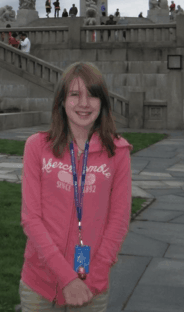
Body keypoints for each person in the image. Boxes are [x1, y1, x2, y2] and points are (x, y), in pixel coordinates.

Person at [19, 61, 132, 311]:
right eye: (74, 94)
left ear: (102, 102)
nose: (84, 103)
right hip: (40, 283)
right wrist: (67, 278)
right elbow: (31, 218)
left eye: (92, 95)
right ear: (61, 100)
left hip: (92, 284)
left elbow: (119, 220)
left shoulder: (118, 151)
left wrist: (95, 277)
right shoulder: (37, 147)